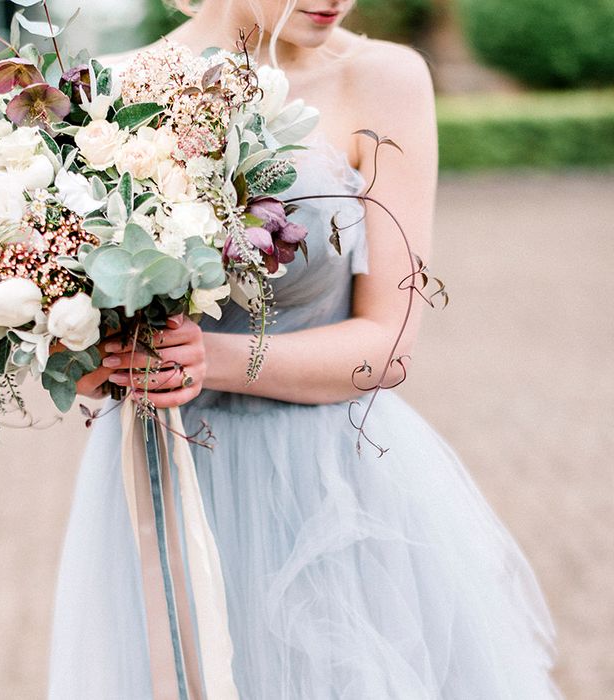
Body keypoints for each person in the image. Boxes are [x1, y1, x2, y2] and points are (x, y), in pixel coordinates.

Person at [48, 1, 561, 697]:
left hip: (329, 486)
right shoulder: (111, 91)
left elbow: (388, 346)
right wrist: (79, 350)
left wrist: (210, 359)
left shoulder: (386, 79)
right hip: (165, 477)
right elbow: (73, 347)